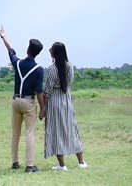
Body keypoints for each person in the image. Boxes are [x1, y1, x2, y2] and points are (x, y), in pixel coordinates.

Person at [0, 25, 45, 173]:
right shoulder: (39, 69)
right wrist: (43, 109)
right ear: (37, 54)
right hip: (29, 102)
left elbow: (10, 50)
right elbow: (39, 92)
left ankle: (15, 162)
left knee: (15, 133)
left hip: (16, 101)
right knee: (29, 133)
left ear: (27, 50)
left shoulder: (17, 63)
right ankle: (30, 165)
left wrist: (3, 35)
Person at [39, 42, 88, 171]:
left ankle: (62, 165)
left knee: (56, 132)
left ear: (55, 52)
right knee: (72, 130)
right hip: (67, 101)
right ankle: (81, 161)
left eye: (51, 48)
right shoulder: (70, 67)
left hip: (55, 102)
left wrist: (43, 109)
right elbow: (69, 84)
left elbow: (47, 91)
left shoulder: (52, 69)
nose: (49, 50)